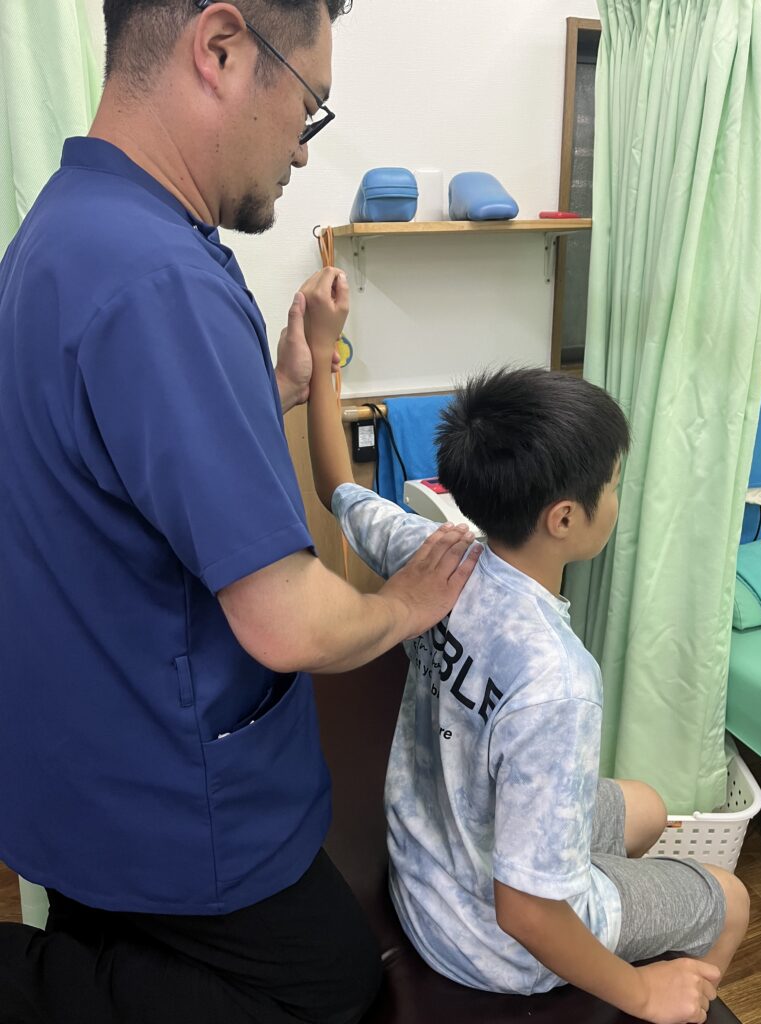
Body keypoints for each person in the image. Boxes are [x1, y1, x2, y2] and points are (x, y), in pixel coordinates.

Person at [0, 2, 480, 1022]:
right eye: (309, 106)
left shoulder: (66, 228)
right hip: (173, 801)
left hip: (77, 771)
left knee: (113, 937)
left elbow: (128, 464)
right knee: (326, 984)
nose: (303, 152)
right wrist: (404, 602)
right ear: (220, 50)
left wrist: (281, 388)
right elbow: (287, 619)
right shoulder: (162, 277)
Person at [305, 328, 751, 1024]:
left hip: (424, 875)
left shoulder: (430, 552)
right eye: (614, 485)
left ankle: (607, 905)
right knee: (731, 900)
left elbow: (336, 485)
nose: (617, 498)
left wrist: (320, 357)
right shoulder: (558, 682)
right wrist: (642, 992)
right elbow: (525, 912)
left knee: (647, 806)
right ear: (565, 517)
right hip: (493, 946)